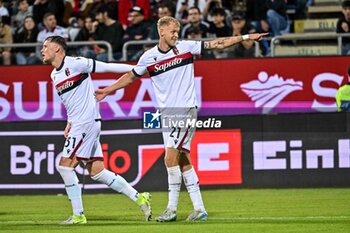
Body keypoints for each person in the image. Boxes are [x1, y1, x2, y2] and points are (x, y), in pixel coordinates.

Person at [95, 16, 267, 222]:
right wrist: (107, 90)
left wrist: (245, 36)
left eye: (178, 30)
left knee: (169, 158)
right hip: (167, 114)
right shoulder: (149, 57)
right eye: (173, 31)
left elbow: (217, 43)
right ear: (161, 32)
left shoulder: (186, 47)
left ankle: (171, 209)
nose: (176, 34)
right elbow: (131, 76)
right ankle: (199, 209)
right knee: (182, 159)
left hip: (185, 110)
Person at [40, 35, 152, 224]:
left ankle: (78, 215)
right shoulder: (54, 75)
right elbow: (71, 101)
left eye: (45, 46)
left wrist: (137, 70)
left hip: (86, 122)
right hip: (81, 122)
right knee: (98, 172)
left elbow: (107, 66)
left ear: (57, 49)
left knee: (64, 166)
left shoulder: (76, 63)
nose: (42, 50)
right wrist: (69, 122)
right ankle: (140, 198)